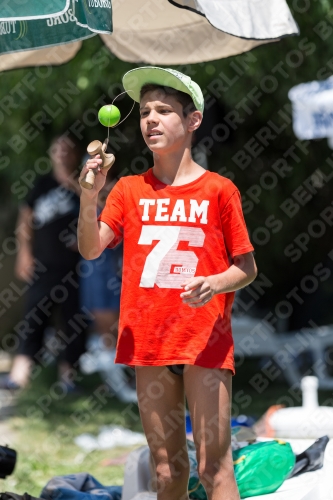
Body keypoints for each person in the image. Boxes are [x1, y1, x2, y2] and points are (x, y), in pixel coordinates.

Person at [78, 67, 257, 500]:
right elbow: (89, 249)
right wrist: (89, 196)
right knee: (165, 471)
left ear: (193, 120)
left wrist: (215, 283)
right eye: (144, 113)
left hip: (204, 339)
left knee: (215, 468)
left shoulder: (220, 190)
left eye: (163, 111)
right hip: (148, 342)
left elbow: (246, 268)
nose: (150, 120)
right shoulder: (127, 189)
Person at [3, 134, 86, 392]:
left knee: (73, 321)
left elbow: (99, 214)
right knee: (33, 318)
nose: (62, 153)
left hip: (76, 268)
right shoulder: (41, 185)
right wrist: (24, 253)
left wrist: (78, 186)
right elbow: (25, 221)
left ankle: (68, 379)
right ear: (51, 154)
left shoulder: (85, 186)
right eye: (57, 148)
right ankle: (19, 377)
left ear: (75, 155)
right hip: (43, 264)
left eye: (68, 149)